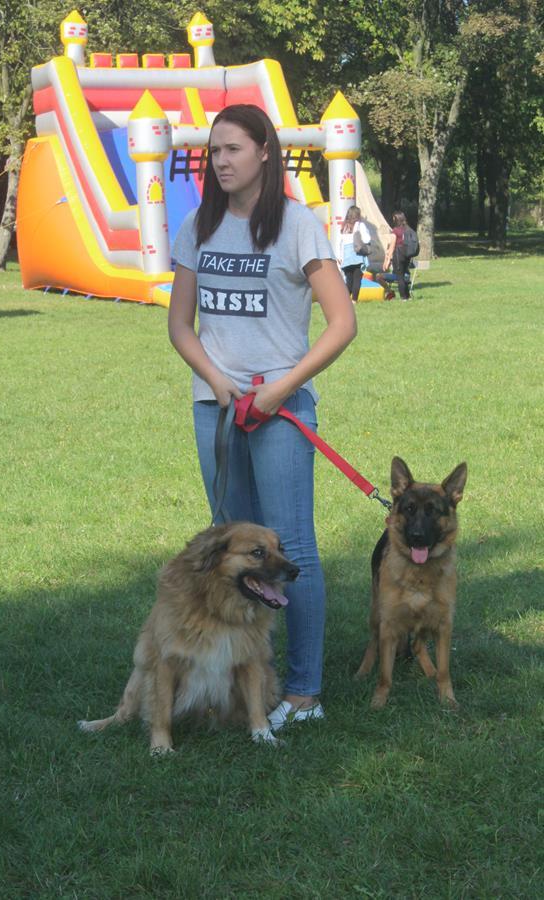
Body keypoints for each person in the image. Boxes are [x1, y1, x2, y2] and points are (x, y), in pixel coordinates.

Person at [168, 104, 357, 731]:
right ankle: (242, 681)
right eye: (214, 151)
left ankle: (303, 692)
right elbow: (180, 325)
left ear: (264, 153)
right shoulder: (197, 226)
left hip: (281, 411)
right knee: (232, 546)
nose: (220, 161)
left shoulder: (297, 226)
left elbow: (343, 323)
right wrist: (218, 382)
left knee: (289, 546)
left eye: (233, 149)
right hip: (217, 407)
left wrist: (281, 389)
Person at [339, 205, 371, 303]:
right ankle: (354, 300)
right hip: (358, 255)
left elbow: (341, 243)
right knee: (357, 279)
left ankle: (344, 300)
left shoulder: (344, 226)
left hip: (346, 256)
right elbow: (367, 239)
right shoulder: (360, 225)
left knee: (349, 280)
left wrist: (340, 257)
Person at [391, 210, 412, 301]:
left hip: (398, 254)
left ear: (396, 219)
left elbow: (392, 245)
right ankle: (408, 296)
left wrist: (388, 257)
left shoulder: (395, 230)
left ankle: (403, 297)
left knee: (399, 277)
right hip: (407, 255)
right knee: (404, 275)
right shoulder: (408, 229)